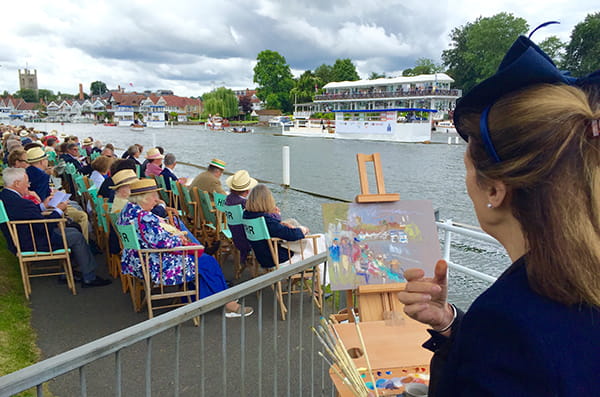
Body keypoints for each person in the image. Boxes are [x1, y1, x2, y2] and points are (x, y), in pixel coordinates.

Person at [397, 34, 600, 396]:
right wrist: (451, 325)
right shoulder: (577, 282)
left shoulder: (507, 320)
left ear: (495, 189)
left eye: (467, 169)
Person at [117, 179, 252, 317]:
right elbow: (162, 243)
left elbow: (152, 238)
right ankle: (228, 304)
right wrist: (179, 238)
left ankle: (200, 299)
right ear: (143, 198)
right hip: (157, 265)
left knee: (202, 261)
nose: (156, 200)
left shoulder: (127, 211)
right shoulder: (144, 218)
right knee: (208, 262)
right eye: (154, 196)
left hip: (137, 262)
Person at [0, 168, 111, 288]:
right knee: (76, 236)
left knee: (74, 229)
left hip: (24, 237)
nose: (28, 185)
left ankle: (68, 271)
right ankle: (89, 277)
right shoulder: (20, 203)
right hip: (33, 241)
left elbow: (26, 215)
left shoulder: (6, 197)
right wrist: (58, 210)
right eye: (27, 182)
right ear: (16, 183)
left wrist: (43, 206)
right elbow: (43, 226)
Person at [242, 184, 309, 268]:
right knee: (317, 241)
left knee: (291, 222)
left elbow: (275, 229)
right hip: (276, 258)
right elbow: (291, 234)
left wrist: (277, 219)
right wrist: (303, 229)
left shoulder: (247, 215)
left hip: (261, 255)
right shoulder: (266, 220)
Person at [224, 170, 258, 265]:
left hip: (236, 237)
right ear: (247, 191)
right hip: (247, 240)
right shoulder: (244, 204)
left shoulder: (228, 199)